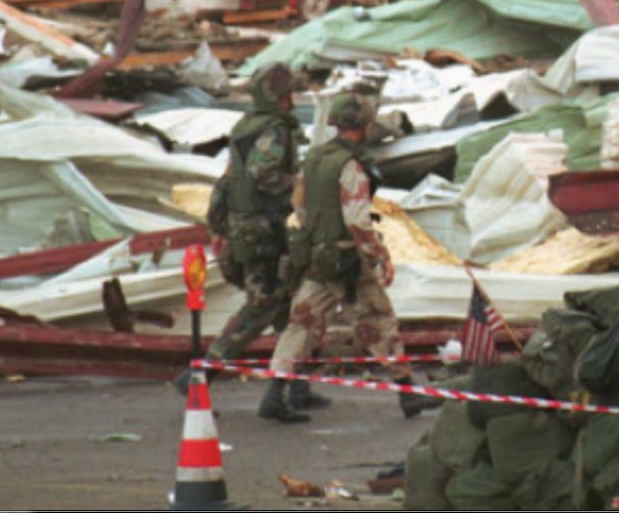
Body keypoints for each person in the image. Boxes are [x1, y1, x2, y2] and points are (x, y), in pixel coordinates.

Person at [260, 92, 440, 423]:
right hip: (347, 262)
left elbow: (299, 206)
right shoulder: (351, 166)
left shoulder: (313, 158)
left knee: (301, 323)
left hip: (315, 257)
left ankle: (274, 393)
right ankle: (407, 395)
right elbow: (356, 219)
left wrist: (317, 236)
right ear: (364, 125)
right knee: (378, 321)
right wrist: (379, 253)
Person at [174, 63, 328, 413]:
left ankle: (292, 386)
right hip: (264, 232)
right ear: (281, 95)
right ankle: (200, 376)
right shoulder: (274, 130)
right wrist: (301, 186)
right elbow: (262, 172)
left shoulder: (245, 126)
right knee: (261, 309)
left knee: (286, 310)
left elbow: (227, 181)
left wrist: (217, 227)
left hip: (245, 228)